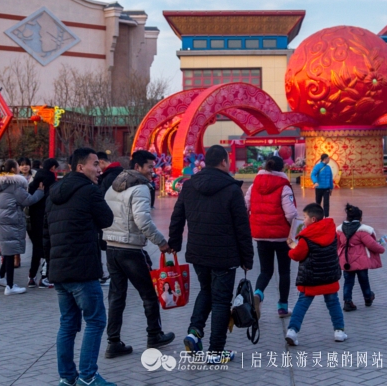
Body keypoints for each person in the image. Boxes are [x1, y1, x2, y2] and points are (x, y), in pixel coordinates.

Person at [168, 145, 253, 364]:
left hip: (198, 252)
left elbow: (177, 217)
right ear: (224, 162)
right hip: (225, 256)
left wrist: (174, 244)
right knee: (221, 302)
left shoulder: (189, 186)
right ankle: (216, 352)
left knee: (206, 290)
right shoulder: (232, 189)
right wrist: (247, 259)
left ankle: (194, 333)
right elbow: (242, 227)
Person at [44, 147, 115, 386]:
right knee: (95, 321)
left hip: (59, 269)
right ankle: (88, 376)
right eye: (95, 164)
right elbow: (107, 219)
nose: (99, 169)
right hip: (83, 269)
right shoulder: (89, 191)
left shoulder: (53, 192)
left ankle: (67, 378)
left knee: (67, 324)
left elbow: (45, 233)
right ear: (79, 167)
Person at [102, 150, 175, 359]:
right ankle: (154, 335)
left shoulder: (113, 186)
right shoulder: (141, 187)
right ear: (138, 167)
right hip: (130, 250)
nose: (153, 171)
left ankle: (113, 342)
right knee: (149, 294)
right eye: (150, 167)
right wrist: (161, 242)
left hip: (112, 247)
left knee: (116, 296)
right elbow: (143, 220)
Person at [284, 203, 347, 346]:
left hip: (310, 278)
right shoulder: (332, 232)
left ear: (313, 219)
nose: (303, 220)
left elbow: (297, 255)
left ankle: (292, 331)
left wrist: (291, 248)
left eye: (305, 217)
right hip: (329, 276)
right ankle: (339, 331)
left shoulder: (306, 237)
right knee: (333, 302)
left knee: (302, 303)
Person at [244, 155, 297, 319]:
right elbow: (291, 213)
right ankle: (282, 307)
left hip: (261, 236)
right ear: (282, 169)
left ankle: (258, 294)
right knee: (284, 272)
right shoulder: (284, 187)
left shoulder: (254, 186)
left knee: (265, 271)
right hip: (282, 237)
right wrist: (293, 229)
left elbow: (245, 207)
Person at [0, 159, 44, 296]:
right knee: (10, 252)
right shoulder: (15, 184)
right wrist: (40, 192)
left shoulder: (0, 183)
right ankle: (9, 286)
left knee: (8, 249)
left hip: (1, 218)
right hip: (10, 219)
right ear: (13, 170)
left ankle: (1, 277)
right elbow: (28, 200)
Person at [336, 203, 384, 311]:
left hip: (346, 261)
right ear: (360, 218)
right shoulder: (362, 231)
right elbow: (371, 244)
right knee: (364, 280)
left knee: (348, 282)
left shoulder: (340, 230)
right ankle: (368, 298)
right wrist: (381, 249)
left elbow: (337, 245)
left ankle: (347, 302)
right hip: (361, 261)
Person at [28, 158, 59, 288]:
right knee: (47, 248)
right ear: (52, 168)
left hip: (34, 218)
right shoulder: (51, 179)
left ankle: (31, 277)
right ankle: (45, 278)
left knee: (36, 248)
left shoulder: (34, 181)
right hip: (46, 217)